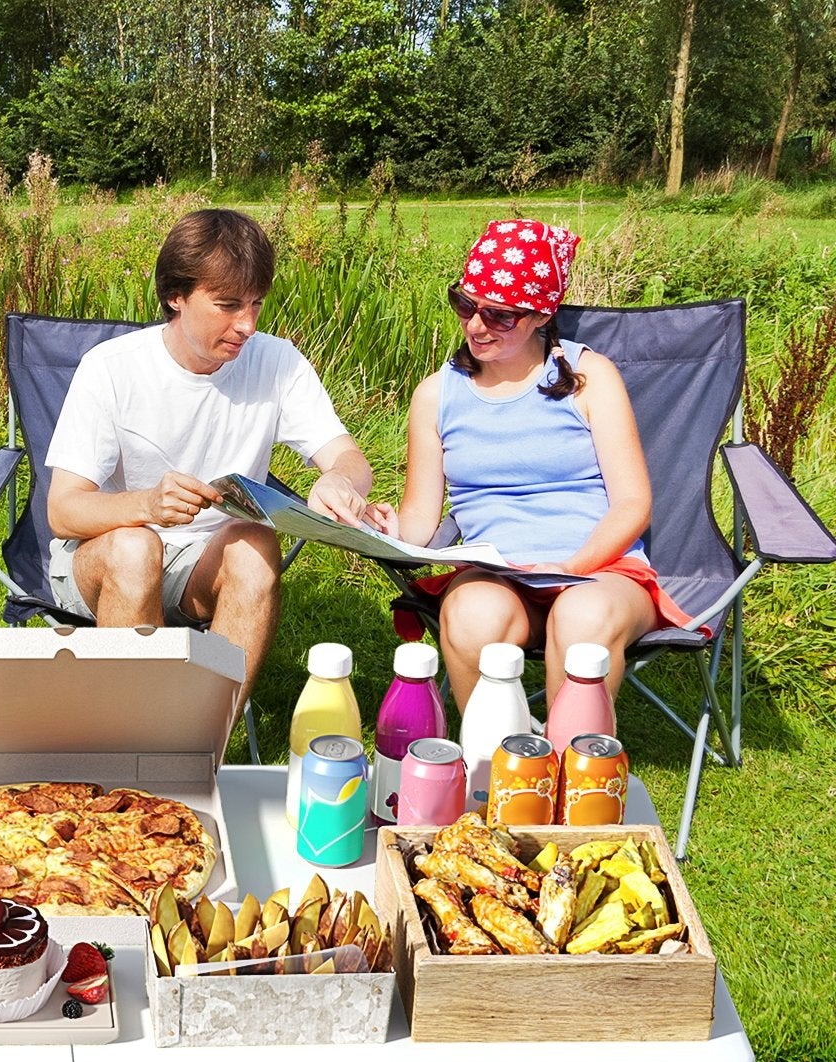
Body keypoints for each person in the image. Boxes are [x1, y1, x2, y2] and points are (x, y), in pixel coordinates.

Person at [44, 208, 375, 713]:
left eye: (256, 304)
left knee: (255, 541)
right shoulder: (111, 369)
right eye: (226, 305)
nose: (246, 325)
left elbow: (349, 457)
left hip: (201, 566)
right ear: (175, 296)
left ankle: (203, 736)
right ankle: (130, 732)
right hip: (104, 558)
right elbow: (63, 511)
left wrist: (338, 480)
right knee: (137, 548)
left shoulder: (276, 362)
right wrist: (149, 505)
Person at [366, 219, 690, 711]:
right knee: (471, 614)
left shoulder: (588, 377)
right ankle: (493, 769)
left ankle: (576, 772)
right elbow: (419, 520)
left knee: (581, 619)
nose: (475, 325)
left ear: (542, 316)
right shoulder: (437, 395)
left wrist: (568, 568)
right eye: (466, 305)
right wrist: (386, 528)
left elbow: (632, 503)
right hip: (499, 573)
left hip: (597, 570)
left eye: (499, 316)